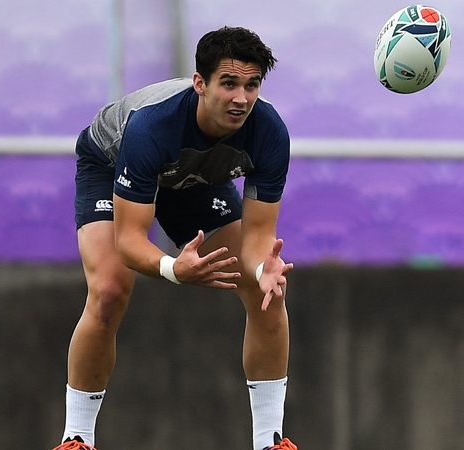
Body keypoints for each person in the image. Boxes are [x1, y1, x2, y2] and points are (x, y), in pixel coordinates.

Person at [53, 26, 297, 450]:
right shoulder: (152, 126)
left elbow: (258, 240)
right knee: (110, 289)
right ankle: (77, 439)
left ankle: (269, 442)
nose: (241, 98)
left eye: (252, 85)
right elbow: (130, 241)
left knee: (267, 292)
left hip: (193, 180)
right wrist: (173, 269)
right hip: (110, 166)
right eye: (229, 83)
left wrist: (262, 268)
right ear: (200, 83)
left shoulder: (270, 132)